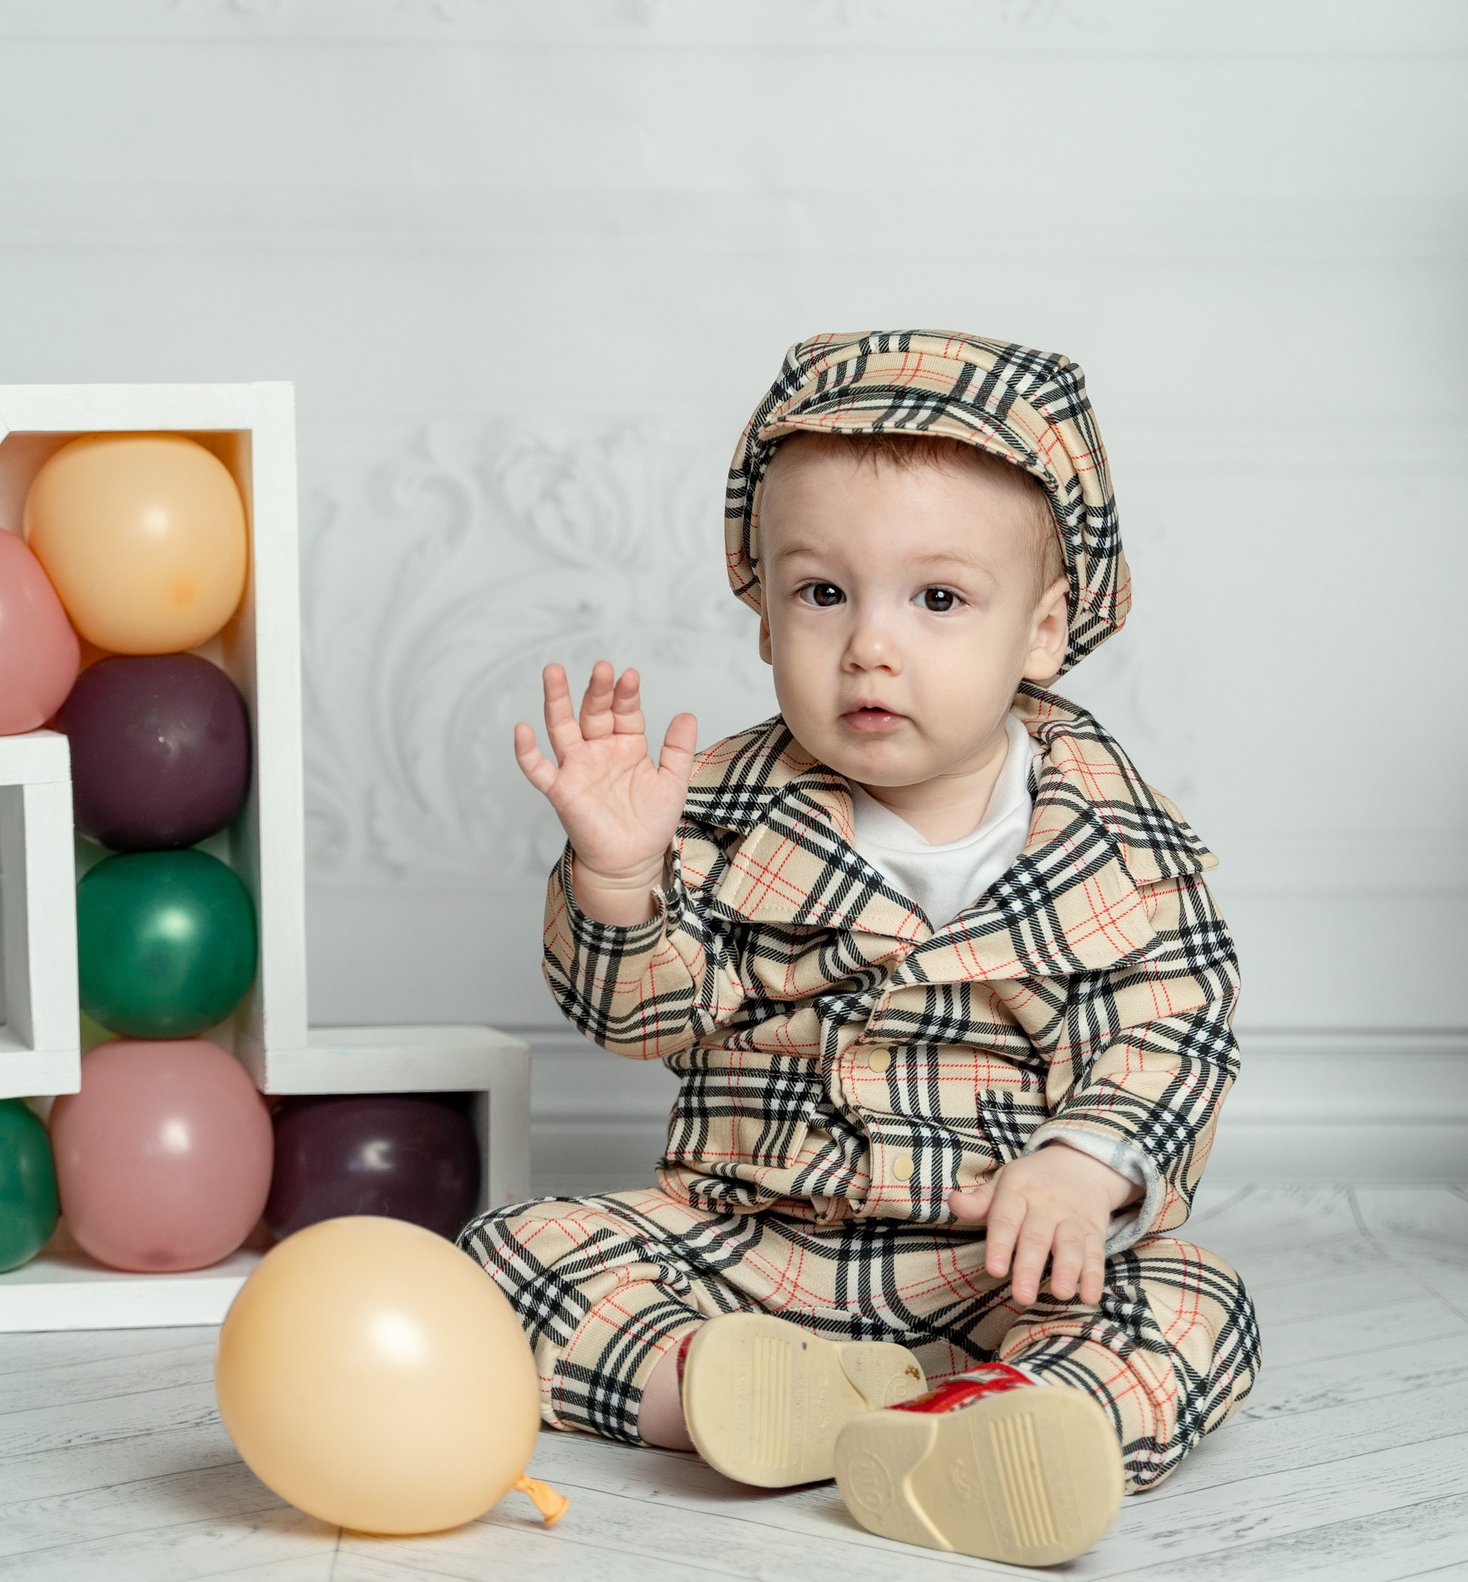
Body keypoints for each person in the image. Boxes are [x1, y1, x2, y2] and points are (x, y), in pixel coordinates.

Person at [461, 329, 1256, 1567]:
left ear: (1042, 633)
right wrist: (620, 879)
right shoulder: (718, 810)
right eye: (820, 593)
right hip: (756, 1250)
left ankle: (994, 1424)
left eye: (937, 600)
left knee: (1200, 1302)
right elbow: (643, 1021)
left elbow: (1174, 1025)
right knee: (502, 1258)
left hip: (996, 1263)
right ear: (764, 610)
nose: (869, 646)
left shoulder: (1109, 837)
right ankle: (732, 1399)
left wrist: (1086, 1167)